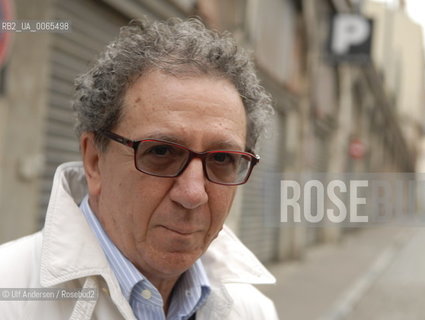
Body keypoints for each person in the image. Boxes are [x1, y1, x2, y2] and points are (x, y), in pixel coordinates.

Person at [0, 18, 278, 319]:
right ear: (94, 161)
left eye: (222, 159)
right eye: (161, 151)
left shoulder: (252, 310)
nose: (193, 193)